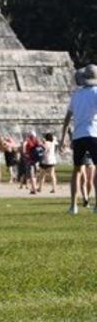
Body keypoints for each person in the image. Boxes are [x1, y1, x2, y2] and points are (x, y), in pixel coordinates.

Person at [62, 64, 97, 215]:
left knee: (76, 171)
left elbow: (67, 117)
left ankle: (73, 206)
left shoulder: (76, 94)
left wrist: (63, 137)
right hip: (94, 133)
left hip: (78, 136)